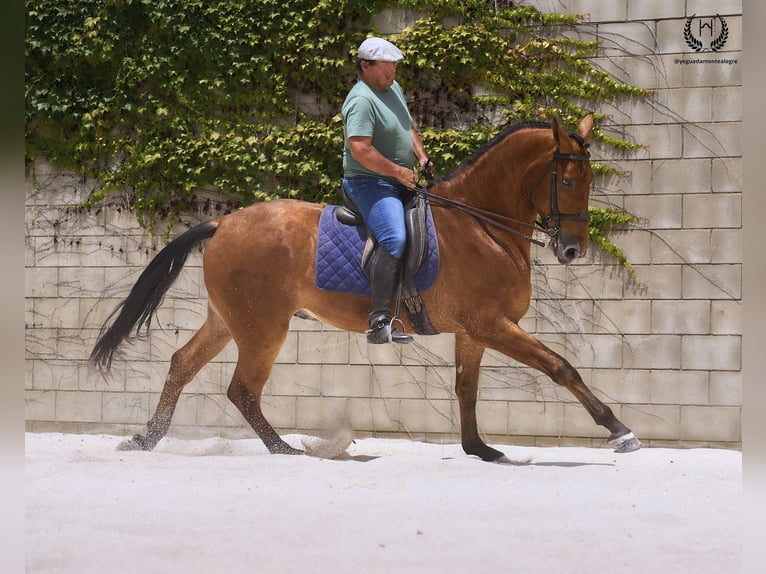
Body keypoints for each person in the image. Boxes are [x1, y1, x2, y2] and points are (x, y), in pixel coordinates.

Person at [341, 37, 434, 344]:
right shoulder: (361, 100)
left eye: (394, 65)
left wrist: (421, 157)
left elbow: (407, 127)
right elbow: (360, 150)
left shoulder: (392, 89)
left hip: (400, 179)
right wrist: (397, 171)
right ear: (366, 66)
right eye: (387, 66)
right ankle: (379, 321)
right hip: (369, 183)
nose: (393, 71)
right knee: (394, 237)